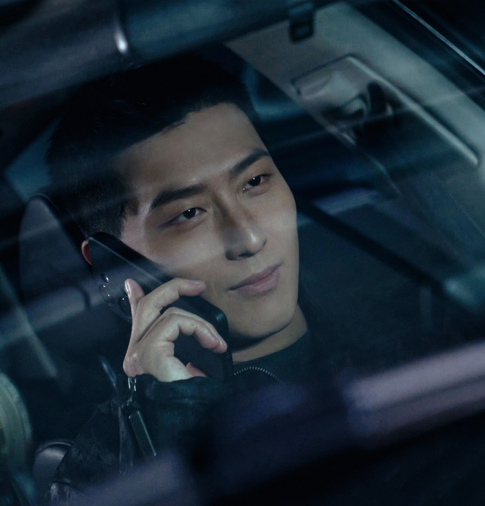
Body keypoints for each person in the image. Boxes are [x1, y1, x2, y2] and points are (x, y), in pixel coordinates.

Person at [44, 54, 333, 499]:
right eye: (189, 213)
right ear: (111, 263)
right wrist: (173, 423)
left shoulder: (416, 296)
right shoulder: (104, 472)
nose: (249, 238)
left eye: (255, 181)